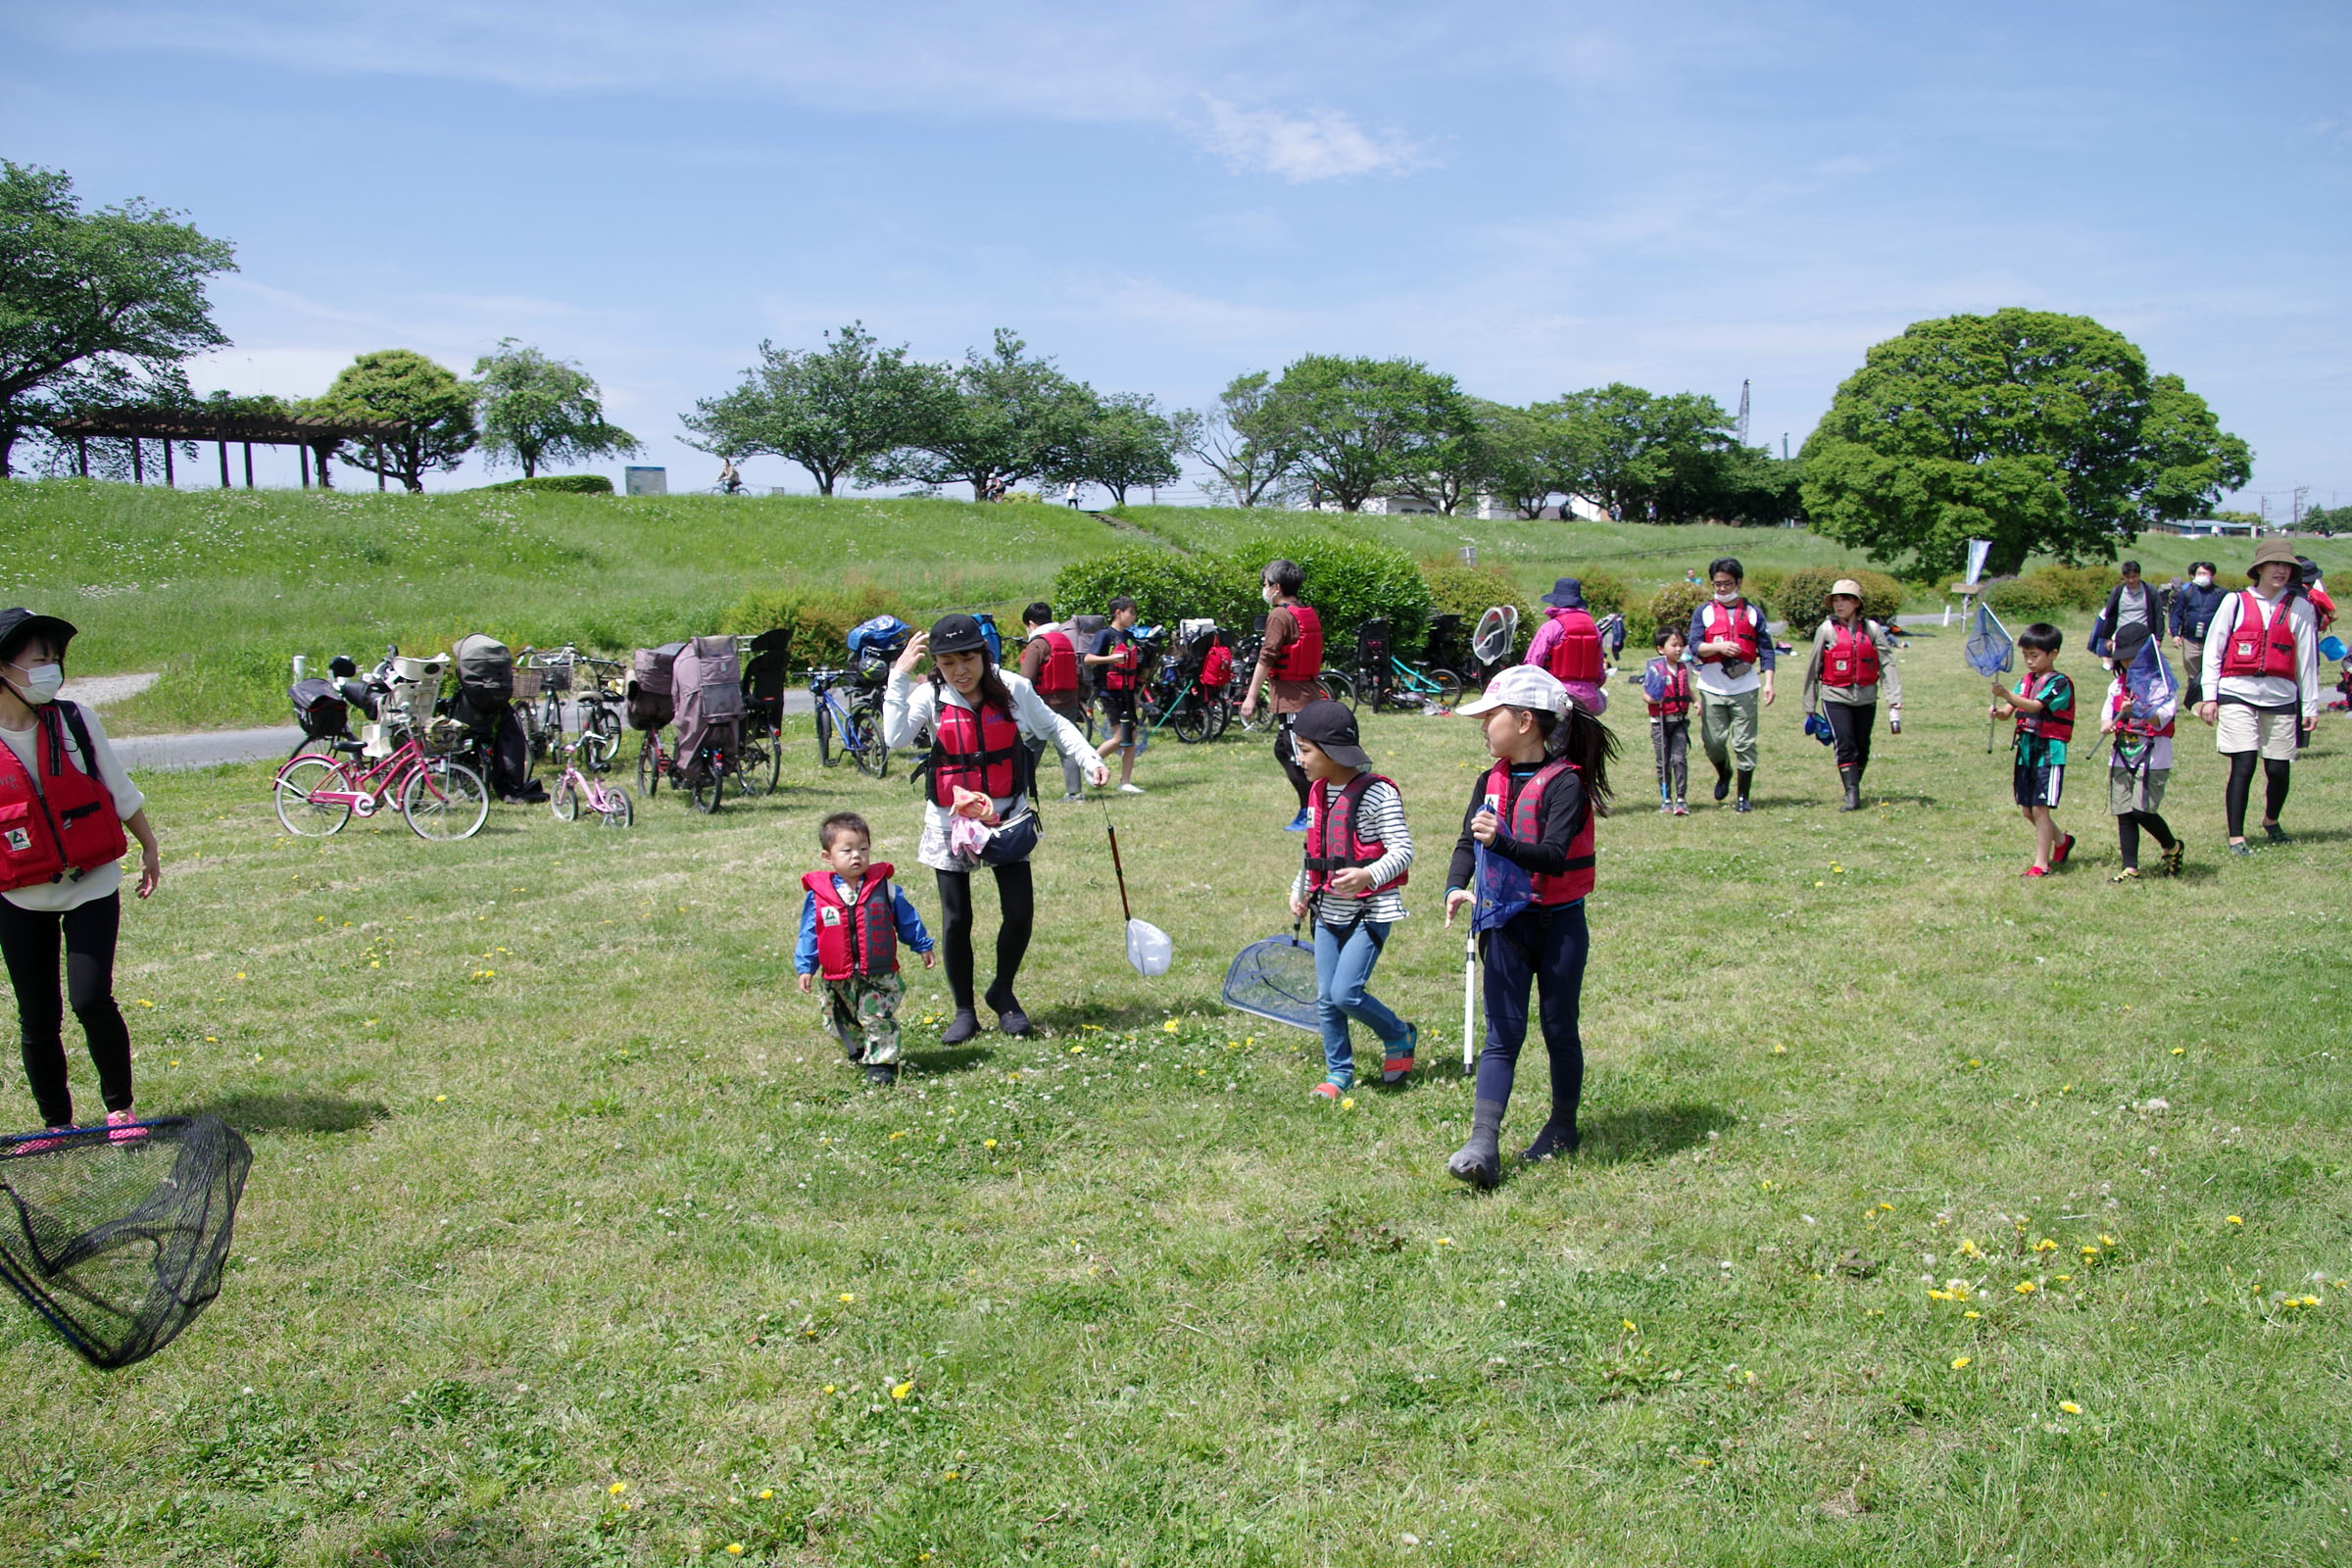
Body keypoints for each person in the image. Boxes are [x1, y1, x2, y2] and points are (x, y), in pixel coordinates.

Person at [884, 613, 1109, 1043]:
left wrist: (1089, 759)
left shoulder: (1012, 689)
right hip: (951, 823)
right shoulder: (930, 694)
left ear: (984, 655)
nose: (960, 671)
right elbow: (895, 738)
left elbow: (1054, 725)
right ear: (937, 664)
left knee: (1020, 913)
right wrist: (898, 676)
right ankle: (964, 1010)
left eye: (967, 658)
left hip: (1006, 817)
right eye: (948, 663)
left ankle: (1002, 991)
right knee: (956, 920)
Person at [1442, 666, 1617, 1187]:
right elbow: (1465, 843)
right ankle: (1482, 1143)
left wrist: (1501, 843)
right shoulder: (1488, 780)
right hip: (1504, 923)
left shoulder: (1566, 784)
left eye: (1489, 716)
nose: (1482, 727)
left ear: (1524, 722)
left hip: (1560, 925)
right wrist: (1455, 885)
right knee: (1503, 1033)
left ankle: (1564, 1127)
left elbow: (1554, 857)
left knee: (1559, 1027)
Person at [0, 610, 162, 1138]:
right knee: (38, 1017)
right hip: (21, 895)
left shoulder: (75, 720)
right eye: (39, 660)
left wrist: (148, 843)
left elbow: (116, 785)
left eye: (55, 660)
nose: (52, 670)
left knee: (92, 999)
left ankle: (120, 1110)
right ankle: (57, 1127)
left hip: (91, 883)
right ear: (4, 669)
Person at [1286, 701, 1416, 1099]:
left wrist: (1367, 874)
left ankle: (1398, 1034)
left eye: (1305, 750)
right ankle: (1338, 1071)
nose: (1298, 758)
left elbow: (1403, 851)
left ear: (1332, 751)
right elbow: (1315, 850)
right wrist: (1302, 887)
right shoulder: (1316, 793)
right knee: (1326, 998)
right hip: (1328, 910)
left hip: (1370, 910)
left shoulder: (1377, 795)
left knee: (1346, 993)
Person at [2196, 538, 2320, 855]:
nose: (2280, 570)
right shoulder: (2234, 602)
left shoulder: (2301, 608)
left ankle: (2270, 819)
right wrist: (2210, 696)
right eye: (2274, 564)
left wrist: (2311, 705)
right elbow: (2213, 651)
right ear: (2259, 568)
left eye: (2286, 566)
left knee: (2278, 769)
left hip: (2281, 697)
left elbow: (2307, 660)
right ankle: (2236, 836)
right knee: (2244, 762)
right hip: (2237, 693)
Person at [795, 812, 936, 1086]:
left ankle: (882, 1063)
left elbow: (907, 918)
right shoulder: (818, 896)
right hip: (838, 978)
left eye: (863, 849)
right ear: (828, 857)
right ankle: (860, 1048)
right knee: (839, 1021)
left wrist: (921, 945)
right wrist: (805, 967)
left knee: (875, 1015)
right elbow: (810, 933)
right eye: (846, 850)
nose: (856, 856)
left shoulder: (884, 889)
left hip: (879, 975)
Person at [1237, 559, 1329, 830]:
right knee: (1285, 748)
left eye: (1265, 584)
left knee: (1296, 754)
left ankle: (1310, 811)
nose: (1264, 589)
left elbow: (1266, 657)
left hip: (1292, 699)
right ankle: (1313, 807)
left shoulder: (1279, 615)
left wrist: (1251, 697)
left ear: (1276, 587)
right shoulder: (1305, 611)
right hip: (1309, 692)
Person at [1799, 579, 1903, 812]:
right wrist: (1809, 704)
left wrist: (1893, 697)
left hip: (1866, 698)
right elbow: (1813, 667)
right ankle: (1852, 795)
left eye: (1844, 599)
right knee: (1845, 743)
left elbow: (1887, 663)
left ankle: (1853, 784)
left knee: (1862, 746)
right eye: (1835, 600)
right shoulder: (1826, 630)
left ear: (1856, 603)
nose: (1839, 604)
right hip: (1835, 697)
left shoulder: (1873, 630)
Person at [1687, 557, 1775, 812]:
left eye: (1727, 583)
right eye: (1717, 584)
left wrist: (1769, 682)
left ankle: (1742, 796)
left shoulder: (1752, 613)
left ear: (1739, 582)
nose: (1722, 589)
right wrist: (1718, 646)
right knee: (1713, 741)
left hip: (1745, 687)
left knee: (1744, 743)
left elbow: (1767, 650)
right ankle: (1723, 771)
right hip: (1712, 686)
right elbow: (1694, 646)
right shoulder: (1703, 612)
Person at [1990, 622, 2076, 877]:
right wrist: (1999, 712)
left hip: (2048, 750)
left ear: (2053, 654)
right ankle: (2061, 841)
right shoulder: (2025, 681)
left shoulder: (2060, 683)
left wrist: (2007, 694)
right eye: (2026, 655)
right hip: (2026, 749)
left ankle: (2041, 864)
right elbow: (2009, 713)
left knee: (2040, 808)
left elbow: (2035, 706)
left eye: (2035, 655)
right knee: (2027, 810)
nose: (2029, 661)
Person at [2099, 625, 2182, 882]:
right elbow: (2105, 722)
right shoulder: (2116, 686)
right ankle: (2130, 867)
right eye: (2124, 657)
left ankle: (2172, 845)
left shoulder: (2162, 687)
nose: (2129, 662)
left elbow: (2161, 719)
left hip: (2153, 756)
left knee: (2142, 810)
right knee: (2124, 811)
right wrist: (2111, 722)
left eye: (2134, 657)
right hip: (2122, 755)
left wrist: (2138, 710)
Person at [1017, 602, 1090, 801]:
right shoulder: (1064, 640)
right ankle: (1075, 792)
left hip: (1044, 704)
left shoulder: (1037, 644)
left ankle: (1018, 791)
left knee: (1030, 749)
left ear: (1031, 624)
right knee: (1067, 746)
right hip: (1069, 702)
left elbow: (1025, 679)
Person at [1083, 597, 1146, 795]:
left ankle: (1125, 781)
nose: (1133, 617)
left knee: (1132, 736)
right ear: (1118, 612)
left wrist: (1135, 694)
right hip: (1109, 692)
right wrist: (1111, 658)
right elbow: (1088, 659)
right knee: (1120, 737)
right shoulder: (1104, 635)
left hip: (1127, 692)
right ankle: (1089, 763)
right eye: (1131, 612)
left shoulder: (1129, 636)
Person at [1524, 577, 1609, 716]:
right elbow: (1600, 673)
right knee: (1584, 737)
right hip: (1589, 699)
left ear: (1556, 601)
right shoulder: (1594, 628)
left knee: (1556, 736)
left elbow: (1532, 664)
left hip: (1557, 695)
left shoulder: (1551, 627)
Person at [1640, 625, 1692, 814]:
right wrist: (1654, 699)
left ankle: (1681, 798)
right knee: (1663, 760)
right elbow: (1646, 693)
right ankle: (1666, 798)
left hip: (1679, 721)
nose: (1678, 649)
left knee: (1679, 759)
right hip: (1660, 722)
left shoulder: (1683, 668)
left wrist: (1696, 702)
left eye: (1681, 645)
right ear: (1661, 648)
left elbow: (1686, 689)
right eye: (1674, 645)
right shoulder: (1656, 669)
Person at [2171, 561, 2225, 708]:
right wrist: (2175, 633)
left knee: (2210, 670)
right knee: (2193, 673)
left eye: (2205, 574)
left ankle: (2211, 699)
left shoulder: (2220, 594)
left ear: (2212, 576)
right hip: (2191, 639)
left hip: (2212, 640)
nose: (2202, 576)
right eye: (2199, 573)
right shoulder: (2186, 593)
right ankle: (2194, 701)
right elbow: (2177, 614)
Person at [2091, 561, 2155, 661]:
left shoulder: (2149, 591)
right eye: (2127, 577)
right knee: (2123, 667)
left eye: (2134, 577)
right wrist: (2108, 637)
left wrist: (2158, 638)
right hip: (2121, 636)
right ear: (2123, 577)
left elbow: (2157, 614)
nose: (2131, 580)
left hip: (2142, 636)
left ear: (2139, 575)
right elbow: (2110, 615)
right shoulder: (2118, 591)